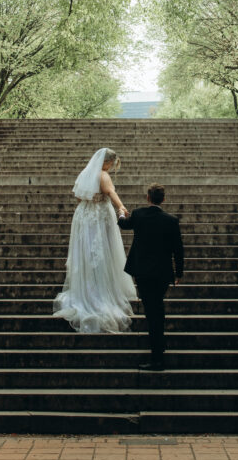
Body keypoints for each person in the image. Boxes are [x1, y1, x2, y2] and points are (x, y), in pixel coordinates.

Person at [53, 148, 137, 333]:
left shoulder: (86, 173)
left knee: (88, 251)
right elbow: (110, 192)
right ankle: (99, 293)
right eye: (111, 163)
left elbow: (78, 196)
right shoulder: (103, 174)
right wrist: (122, 207)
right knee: (101, 250)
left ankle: (87, 288)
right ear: (107, 162)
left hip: (84, 214)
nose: (111, 167)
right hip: (98, 214)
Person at [118, 183, 184, 372]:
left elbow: (124, 224)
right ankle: (159, 347)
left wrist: (121, 212)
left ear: (148, 198)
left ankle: (157, 357)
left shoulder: (138, 214)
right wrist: (178, 272)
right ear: (163, 199)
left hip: (143, 272)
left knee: (153, 311)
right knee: (157, 308)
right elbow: (178, 250)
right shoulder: (171, 221)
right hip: (162, 273)